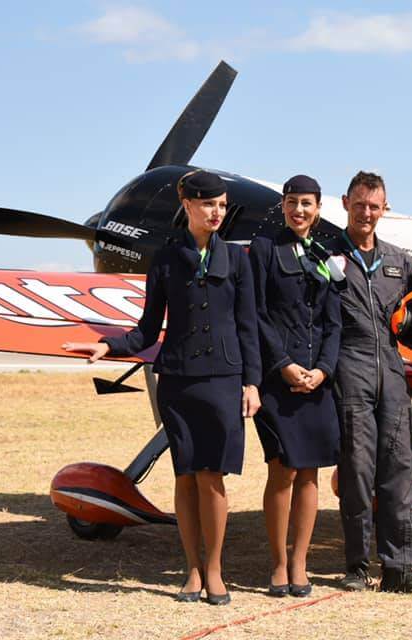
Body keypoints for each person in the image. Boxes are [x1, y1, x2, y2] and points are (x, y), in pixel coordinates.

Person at [63, 170, 261, 606]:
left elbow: (249, 328)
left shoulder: (239, 260)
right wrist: (106, 347)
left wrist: (252, 383)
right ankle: (192, 570)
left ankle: (215, 571)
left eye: (223, 205)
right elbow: (147, 331)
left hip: (224, 380)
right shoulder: (167, 260)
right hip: (179, 380)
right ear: (187, 205)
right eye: (209, 204)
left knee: (214, 480)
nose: (217, 212)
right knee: (186, 477)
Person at [330, 171, 412, 595]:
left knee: (399, 470)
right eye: (360, 204)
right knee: (356, 471)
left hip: (392, 370)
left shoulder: (397, 259)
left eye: (375, 206)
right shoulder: (328, 256)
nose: (367, 213)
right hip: (350, 367)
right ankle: (356, 567)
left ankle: (399, 568)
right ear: (346, 202)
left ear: (384, 209)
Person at [248, 175, 343, 598]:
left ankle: (301, 563)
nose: (299, 210)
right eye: (292, 203)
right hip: (278, 378)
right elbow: (258, 313)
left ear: (318, 208)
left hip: (317, 380)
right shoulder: (265, 249)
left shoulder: (326, 255)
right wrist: (284, 365)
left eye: (306, 203)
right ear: (283, 207)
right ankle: (279, 563)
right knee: (281, 470)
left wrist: (322, 370)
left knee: (310, 474)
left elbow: (332, 322)